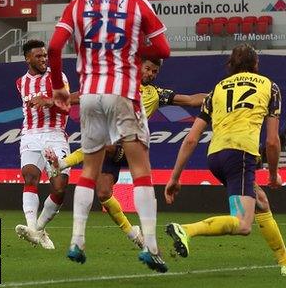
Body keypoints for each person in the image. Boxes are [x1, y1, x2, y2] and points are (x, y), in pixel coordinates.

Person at [47, 0, 170, 272]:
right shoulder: (137, 3)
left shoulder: (77, 6)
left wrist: (59, 86)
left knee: (88, 171)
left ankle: (76, 240)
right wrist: (132, 48)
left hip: (89, 94)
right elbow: (163, 50)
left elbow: (54, 47)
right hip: (123, 93)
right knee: (142, 170)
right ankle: (152, 247)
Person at [163, 44, 286, 276]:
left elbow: (191, 139)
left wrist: (174, 177)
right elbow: (272, 141)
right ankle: (186, 230)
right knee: (242, 224)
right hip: (240, 154)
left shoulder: (217, 90)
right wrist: (273, 174)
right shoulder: (270, 87)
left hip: (215, 156)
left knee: (260, 200)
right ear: (256, 64)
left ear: (231, 65)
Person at [44, 56, 206, 249]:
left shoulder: (155, 94)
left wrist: (216, 95)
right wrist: (54, 100)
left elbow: (190, 100)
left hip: (129, 147)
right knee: (103, 193)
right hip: (110, 145)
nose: (151, 74)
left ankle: (61, 164)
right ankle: (134, 234)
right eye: (148, 69)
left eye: (154, 72)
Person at [14, 40, 76, 250]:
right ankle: (32, 227)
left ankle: (38, 229)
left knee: (59, 187)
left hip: (55, 134)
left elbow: (68, 104)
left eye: (45, 56)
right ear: (27, 58)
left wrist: (49, 100)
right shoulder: (20, 82)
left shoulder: (58, 78)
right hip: (30, 134)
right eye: (38, 56)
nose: (43, 60)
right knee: (30, 175)